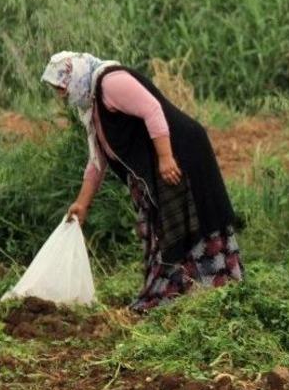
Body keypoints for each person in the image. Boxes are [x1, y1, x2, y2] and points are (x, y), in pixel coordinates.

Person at [41, 51, 243, 312]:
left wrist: (166, 157)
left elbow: (152, 109)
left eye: (62, 87)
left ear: (76, 76)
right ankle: (175, 293)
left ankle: (211, 288)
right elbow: (97, 159)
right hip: (158, 164)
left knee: (190, 222)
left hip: (180, 153)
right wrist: (82, 204)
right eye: (57, 90)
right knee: (162, 230)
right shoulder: (92, 106)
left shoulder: (110, 83)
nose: (61, 95)